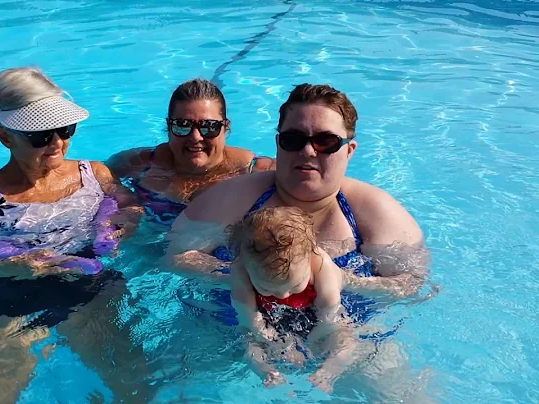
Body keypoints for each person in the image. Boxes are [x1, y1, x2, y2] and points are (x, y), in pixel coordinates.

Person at [0, 67, 153, 404]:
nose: (57, 143)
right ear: (4, 137)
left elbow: (128, 204)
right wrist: (8, 267)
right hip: (5, 293)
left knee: (136, 387)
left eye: (64, 129)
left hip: (83, 280)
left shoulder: (94, 174)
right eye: (40, 135)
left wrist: (122, 224)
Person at [165, 83, 430, 307]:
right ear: (278, 143)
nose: (308, 151)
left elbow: (411, 284)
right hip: (230, 326)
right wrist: (235, 274)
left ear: (349, 150)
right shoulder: (233, 199)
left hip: (350, 333)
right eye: (294, 139)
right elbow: (174, 256)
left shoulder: (375, 212)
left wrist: (345, 280)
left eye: (325, 141)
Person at [107, 78, 275, 227]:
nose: (196, 137)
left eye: (209, 126)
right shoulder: (138, 164)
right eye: (183, 125)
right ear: (168, 127)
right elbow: (93, 180)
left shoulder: (256, 172)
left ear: (225, 127)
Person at [228, 205, 355, 392]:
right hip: (268, 315)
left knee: (345, 336)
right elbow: (248, 319)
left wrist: (311, 342)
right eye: (266, 288)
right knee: (248, 342)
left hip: (314, 309)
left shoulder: (321, 265)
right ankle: (266, 372)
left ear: (310, 256)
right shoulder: (240, 271)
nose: (283, 295)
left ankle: (330, 370)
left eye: (295, 286)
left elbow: (329, 315)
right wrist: (278, 343)